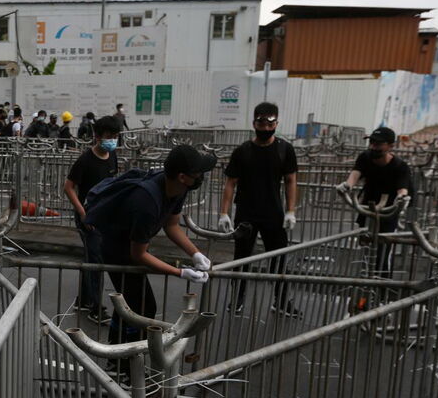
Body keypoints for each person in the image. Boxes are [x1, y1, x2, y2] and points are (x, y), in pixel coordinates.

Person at [86, 144, 213, 347]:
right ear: (182, 176)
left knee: (131, 305)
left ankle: (117, 357)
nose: (201, 177)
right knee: (143, 308)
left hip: (131, 246)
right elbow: (138, 255)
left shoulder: (177, 188)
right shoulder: (146, 202)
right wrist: (180, 272)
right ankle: (127, 363)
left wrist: (195, 253)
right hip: (117, 252)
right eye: (197, 173)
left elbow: (171, 225)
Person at [218, 102, 300, 317]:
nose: (265, 128)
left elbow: (291, 180)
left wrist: (291, 210)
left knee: (279, 258)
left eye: (270, 123)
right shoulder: (243, 151)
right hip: (246, 213)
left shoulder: (284, 149)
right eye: (261, 123)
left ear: (277, 123)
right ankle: (237, 299)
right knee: (242, 258)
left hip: (273, 213)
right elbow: (230, 182)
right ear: (254, 123)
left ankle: (281, 302)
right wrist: (223, 212)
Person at [64, 115, 122, 324]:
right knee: (96, 261)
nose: (113, 141)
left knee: (92, 258)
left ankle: (83, 299)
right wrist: (82, 213)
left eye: (116, 136)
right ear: (98, 136)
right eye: (109, 136)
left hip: (105, 217)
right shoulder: (85, 160)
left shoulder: (112, 156)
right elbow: (69, 187)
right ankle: (96, 308)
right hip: (88, 217)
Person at [337, 126, 412, 278]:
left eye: (378, 144)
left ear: (390, 146)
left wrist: (401, 199)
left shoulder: (400, 166)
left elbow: (402, 189)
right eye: (371, 142)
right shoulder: (365, 157)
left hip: (388, 213)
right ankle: (365, 286)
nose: (373, 147)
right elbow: (354, 175)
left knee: (383, 253)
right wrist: (346, 186)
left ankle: (381, 287)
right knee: (366, 249)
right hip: (368, 208)